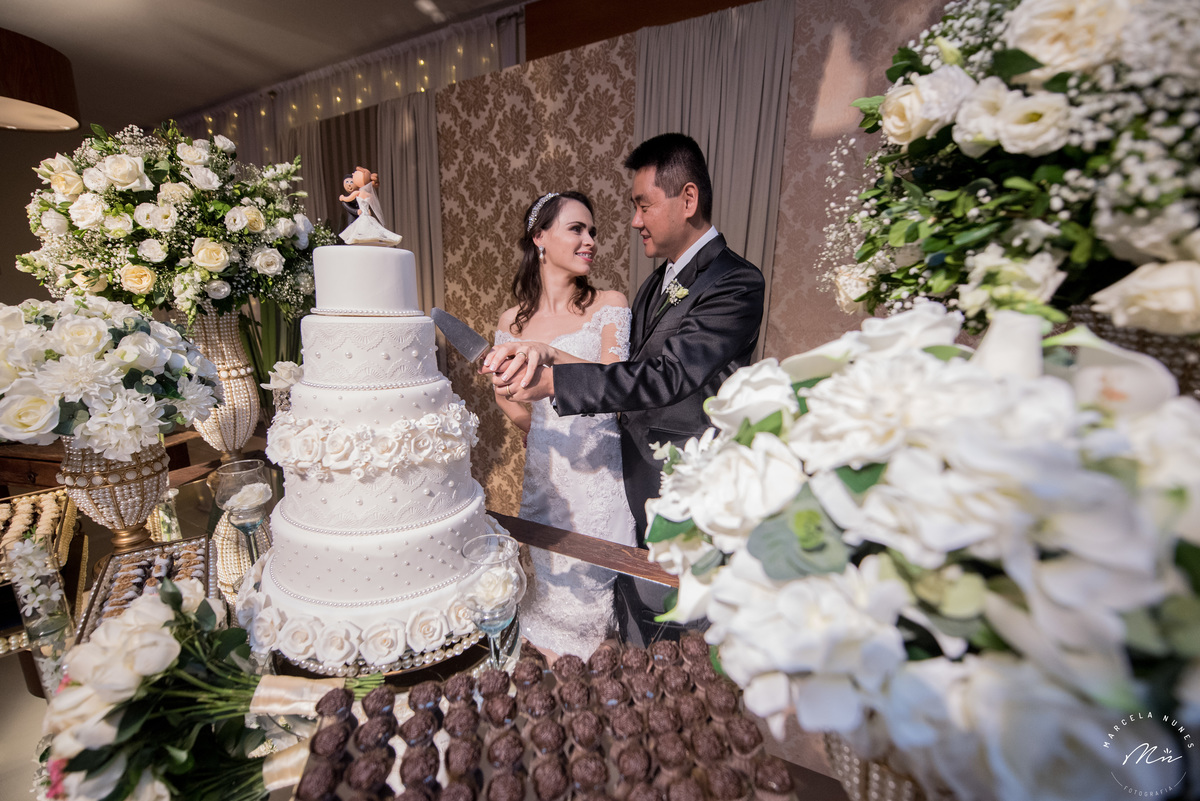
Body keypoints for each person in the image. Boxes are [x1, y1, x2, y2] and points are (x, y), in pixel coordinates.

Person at [484, 134, 765, 643]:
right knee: (632, 630)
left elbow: (666, 377)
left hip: (678, 487)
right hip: (624, 477)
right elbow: (628, 377)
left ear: (688, 199)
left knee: (679, 635)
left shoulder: (736, 282)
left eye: (642, 205)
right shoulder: (655, 286)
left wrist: (552, 369)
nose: (633, 221)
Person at [493, 190, 637, 659]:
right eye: (577, 228)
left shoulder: (610, 304)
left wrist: (552, 357)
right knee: (549, 596)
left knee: (593, 617)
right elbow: (508, 400)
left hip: (598, 478)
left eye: (592, 231)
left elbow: (619, 386)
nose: (590, 239)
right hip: (547, 476)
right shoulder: (511, 321)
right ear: (540, 238)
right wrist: (531, 422)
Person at [338, 166, 401, 246]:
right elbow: (370, 204)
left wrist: (342, 197)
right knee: (370, 229)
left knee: (358, 230)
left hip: (362, 215)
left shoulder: (358, 193)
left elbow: (348, 199)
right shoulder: (369, 194)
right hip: (366, 214)